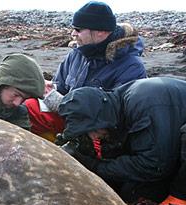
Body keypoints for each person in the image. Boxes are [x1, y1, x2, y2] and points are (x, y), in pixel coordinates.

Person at [56, 77, 186, 205]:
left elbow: (153, 165)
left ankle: (185, 197)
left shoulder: (144, 101)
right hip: (176, 143)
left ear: (101, 117)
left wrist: (95, 167)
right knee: (132, 193)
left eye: (92, 130)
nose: (93, 137)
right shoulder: (115, 108)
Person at [25, 1, 147, 141]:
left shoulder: (131, 67)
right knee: (27, 106)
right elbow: (61, 86)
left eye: (78, 29)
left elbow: (118, 117)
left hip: (100, 130)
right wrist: (51, 89)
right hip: (70, 116)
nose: (73, 34)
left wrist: (61, 103)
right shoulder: (77, 54)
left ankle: (68, 155)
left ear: (101, 32)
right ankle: (50, 148)